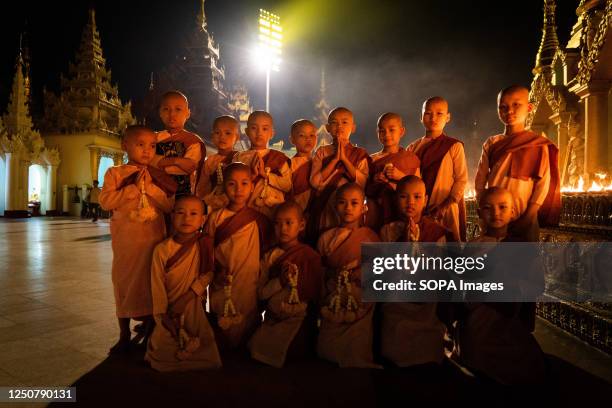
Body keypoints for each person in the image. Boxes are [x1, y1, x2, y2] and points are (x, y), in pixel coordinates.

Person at [454, 186, 547, 385]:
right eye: (488, 208)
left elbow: (538, 284)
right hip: (479, 314)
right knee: (475, 352)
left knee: (526, 362)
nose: (496, 213)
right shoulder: (473, 246)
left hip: (508, 315)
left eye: (503, 207)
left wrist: (513, 286)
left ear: (513, 212)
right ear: (479, 213)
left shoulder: (523, 247)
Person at [99, 125, 177, 354]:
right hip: (126, 242)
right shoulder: (115, 173)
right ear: (125, 146)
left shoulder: (157, 175)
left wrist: (150, 188)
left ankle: (151, 328)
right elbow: (106, 202)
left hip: (153, 239)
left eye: (152, 146)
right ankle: (124, 332)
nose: (147, 150)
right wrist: (133, 189)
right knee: (123, 282)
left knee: (151, 283)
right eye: (140, 144)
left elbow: (169, 206)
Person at [379, 175, 452, 367]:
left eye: (417, 197)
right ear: (396, 199)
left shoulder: (437, 232)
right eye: (404, 197)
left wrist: (418, 246)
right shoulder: (388, 230)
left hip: (426, 304)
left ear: (426, 200)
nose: (411, 202)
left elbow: (440, 272)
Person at [474, 85, 561, 242]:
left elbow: (543, 184)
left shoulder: (538, 144)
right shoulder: (492, 143)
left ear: (529, 107)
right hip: (494, 217)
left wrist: (529, 216)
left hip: (524, 215)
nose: (509, 111)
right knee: (493, 260)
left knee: (522, 262)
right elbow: (480, 181)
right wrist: (484, 211)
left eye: (516, 105)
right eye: (503, 107)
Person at [145, 195, 222, 371]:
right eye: (181, 213)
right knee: (162, 350)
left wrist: (189, 296)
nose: (187, 218)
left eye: (193, 213)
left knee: (205, 349)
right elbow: (156, 285)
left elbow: (208, 274)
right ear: (172, 217)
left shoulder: (204, 244)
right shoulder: (162, 250)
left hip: (193, 305)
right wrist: (162, 315)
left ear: (203, 219)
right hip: (168, 308)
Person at [204, 162, 273, 350]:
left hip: (249, 277)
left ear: (252, 186)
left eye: (244, 183)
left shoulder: (259, 219)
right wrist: (215, 271)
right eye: (232, 184)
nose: (238, 190)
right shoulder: (215, 218)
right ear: (223, 186)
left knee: (248, 313)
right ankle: (223, 346)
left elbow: (266, 253)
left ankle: (245, 346)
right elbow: (207, 249)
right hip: (222, 277)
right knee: (222, 312)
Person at [248, 201, 323, 367]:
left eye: (289, 223)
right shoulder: (269, 257)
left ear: (301, 224)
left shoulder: (309, 256)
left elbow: (314, 294)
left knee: (294, 349)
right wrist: (280, 282)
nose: (283, 229)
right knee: (256, 347)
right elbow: (261, 293)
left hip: (299, 317)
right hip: (274, 317)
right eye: (277, 223)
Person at [316, 183, 380, 367]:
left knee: (357, 339)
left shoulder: (370, 237)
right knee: (329, 336)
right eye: (343, 203)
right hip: (333, 294)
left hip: (359, 298)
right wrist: (332, 276)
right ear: (335, 206)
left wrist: (358, 275)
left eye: (354, 203)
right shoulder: (326, 238)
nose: (348, 208)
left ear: (364, 207)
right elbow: (321, 271)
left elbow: (377, 273)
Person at [408, 97, 468, 242]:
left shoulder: (454, 146)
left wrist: (446, 205)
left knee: (449, 250)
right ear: (421, 117)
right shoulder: (412, 148)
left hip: (446, 208)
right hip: (420, 209)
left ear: (448, 117)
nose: (433, 117)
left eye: (439, 113)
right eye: (428, 113)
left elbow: (461, 179)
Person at [309, 107, 370, 239]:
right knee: (325, 238)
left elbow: (363, 182)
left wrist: (345, 160)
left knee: (348, 238)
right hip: (326, 204)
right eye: (334, 122)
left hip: (351, 207)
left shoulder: (359, 154)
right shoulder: (322, 152)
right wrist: (335, 159)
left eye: (344, 122)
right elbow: (315, 182)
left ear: (353, 127)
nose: (339, 126)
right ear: (327, 127)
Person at [233, 111, 292, 219]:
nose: (259, 133)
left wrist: (266, 175)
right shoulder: (239, 157)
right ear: (246, 131)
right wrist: (252, 177)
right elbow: (232, 183)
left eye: (264, 129)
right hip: (246, 208)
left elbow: (287, 186)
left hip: (271, 210)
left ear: (272, 133)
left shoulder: (279, 158)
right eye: (254, 128)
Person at [366, 112, 420, 229]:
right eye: (382, 131)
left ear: (401, 131)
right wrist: (375, 180)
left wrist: (401, 177)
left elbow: (419, 189)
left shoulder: (411, 158)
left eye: (391, 130)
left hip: (404, 211)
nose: (387, 134)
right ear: (377, 133)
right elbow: (366, 190)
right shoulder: (371, 159)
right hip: (378, 212)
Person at [152, 90, 206, 197]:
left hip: (181, 194)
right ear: (160, 113)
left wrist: (160, 162)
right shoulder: (152, 138)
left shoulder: (193, 141)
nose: (172, 114)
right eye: (166, 109)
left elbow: (190, 167)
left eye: (178, 109)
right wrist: (178, 161)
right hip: (152, 191)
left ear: (188, 113)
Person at [195, 115, 239, 212]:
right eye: (217, 133)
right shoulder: (210, 161)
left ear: (237, 137)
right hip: (215, 202)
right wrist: (203, 203)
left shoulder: (240, 158)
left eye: (228, 133)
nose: (222, 137)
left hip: (235, 202)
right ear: (212, 136)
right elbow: (203, 185)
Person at [288, 119, 318, 216]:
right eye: (302, 135)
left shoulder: (319, 162)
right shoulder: (289, 164)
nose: (308, 139)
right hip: (297, 209)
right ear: (292, 140)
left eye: (312, 135)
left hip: (317, 209)